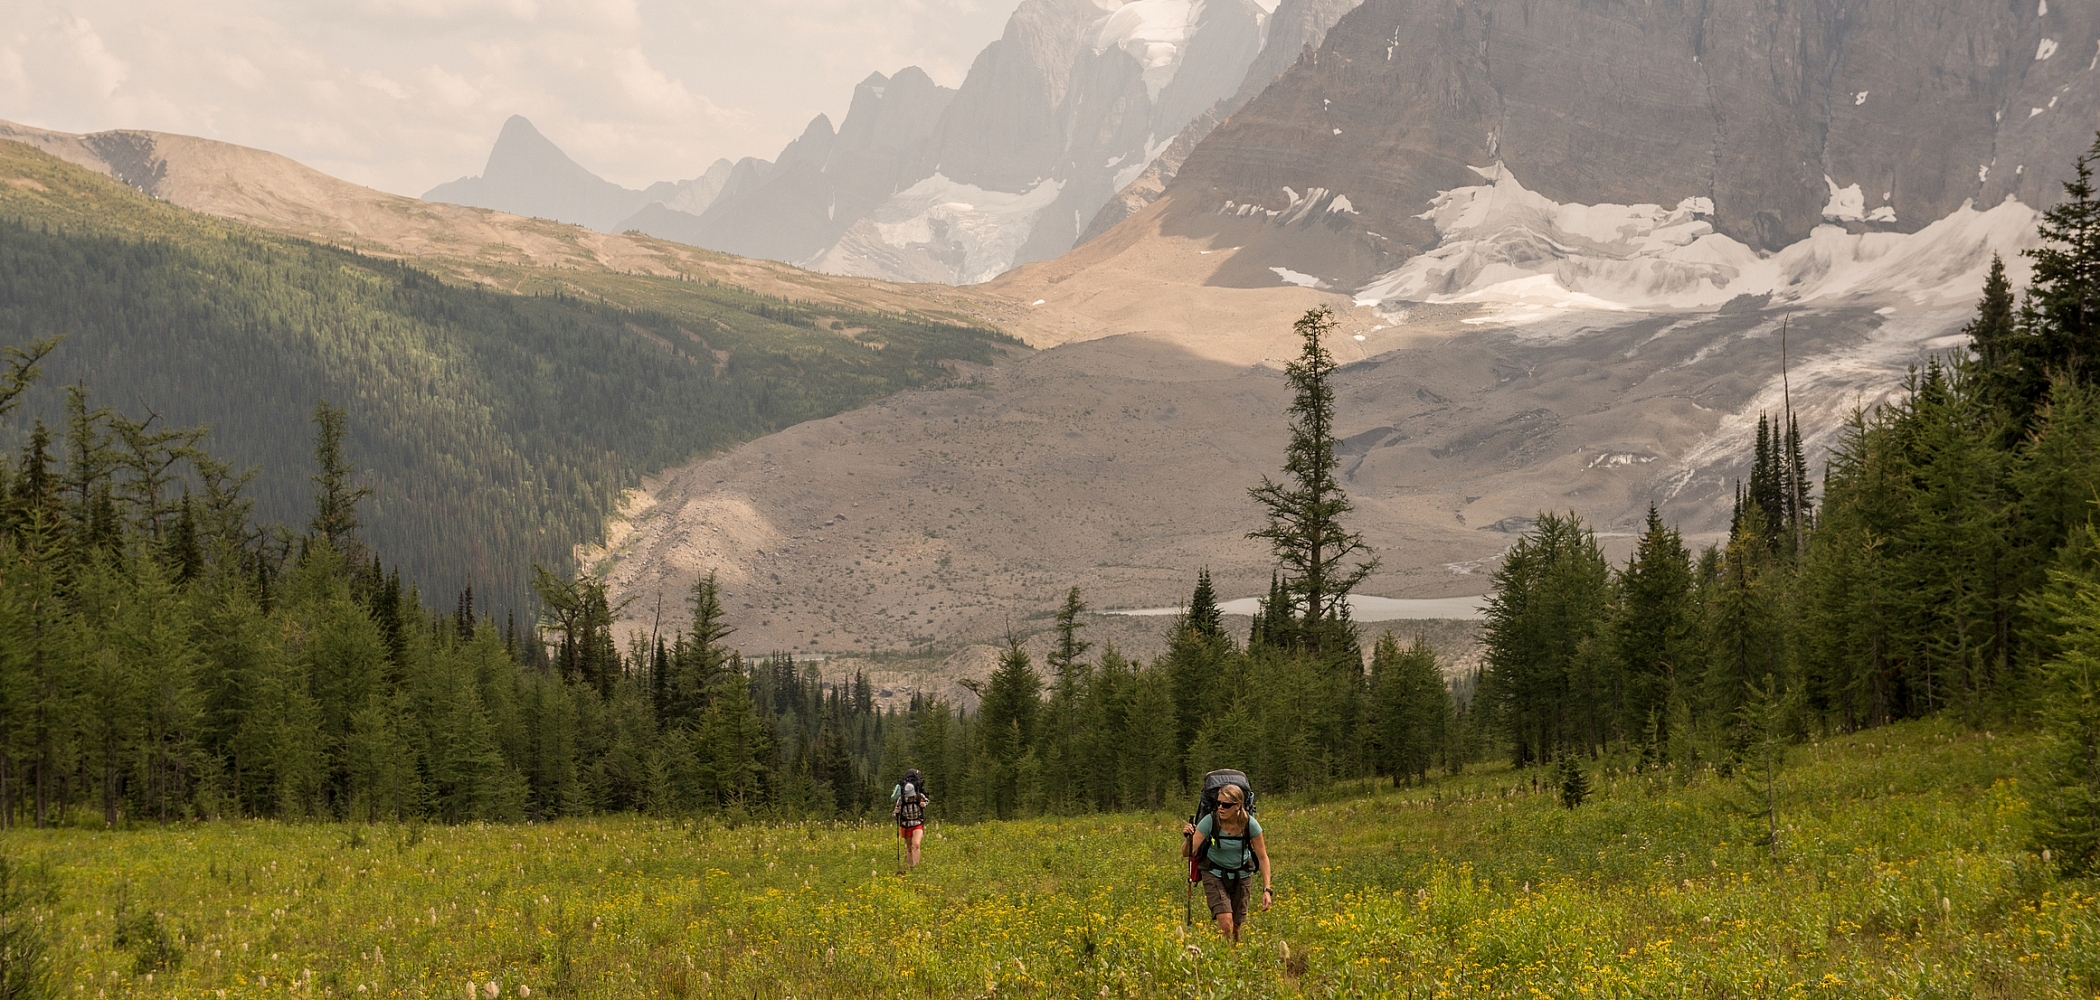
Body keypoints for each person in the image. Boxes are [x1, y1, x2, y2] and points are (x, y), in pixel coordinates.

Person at [1182, 782, 1271, 942]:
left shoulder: (1250, 825)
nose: (1221, 808)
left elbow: (1263, 858)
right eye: (1218, 803)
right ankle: (1225, 958)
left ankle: (1234, 955)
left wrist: (1267, 890)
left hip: (1242, 874)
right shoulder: (1210, 821)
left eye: (1226, 804)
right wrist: (1189, 837)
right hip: (1213, 873)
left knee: (1236, 925)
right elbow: (1186, 852)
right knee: (1226, 923)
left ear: (1238, 806)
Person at [892, 768, 930, 871]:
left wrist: (924, 804)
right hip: (905, 824)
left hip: (917, 823)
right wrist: (896, 813)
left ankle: (916, 867)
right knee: (909, 847)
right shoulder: (902, 799)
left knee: (916, 845)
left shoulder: (919, 796)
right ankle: (911, 867)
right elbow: (896, 809)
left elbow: (926, 800)